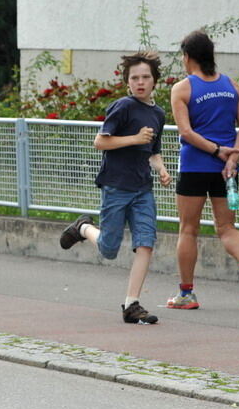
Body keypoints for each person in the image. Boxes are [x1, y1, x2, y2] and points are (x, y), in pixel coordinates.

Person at [59, 51, 171, 324]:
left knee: (145, 243)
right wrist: (133, 138)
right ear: (127, 82)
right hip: (116, 186)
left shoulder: (157, 113)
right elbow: (100, 142)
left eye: (146, 77)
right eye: (135, 78)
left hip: (142, 188)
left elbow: (152, 152)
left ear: (155, 81)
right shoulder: (122, 107)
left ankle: (131, 304)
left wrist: (162, 169)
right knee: (109, 248)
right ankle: (83, 228)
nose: (140, 82)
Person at [167, 30, 239, 310]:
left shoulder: (183, 88)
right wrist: (231, 158)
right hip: (227, 169)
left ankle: (186, 294)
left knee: (188, 229)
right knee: (227, 227)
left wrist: (217, 151)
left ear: (188, 56)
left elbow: (186, 131)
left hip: (195, 165)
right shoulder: (232, 85)